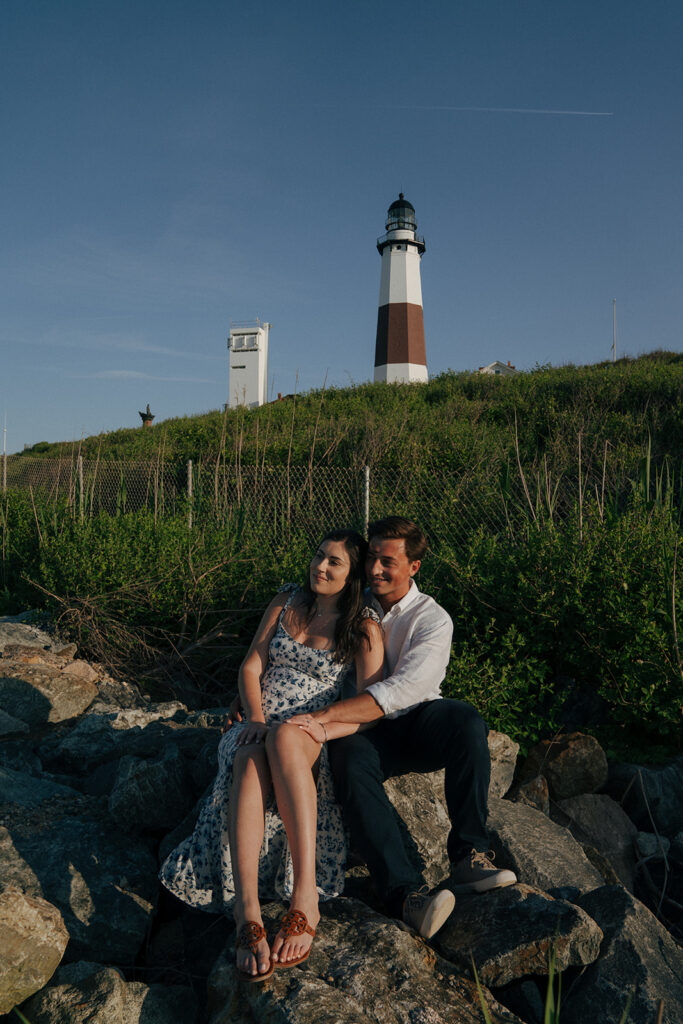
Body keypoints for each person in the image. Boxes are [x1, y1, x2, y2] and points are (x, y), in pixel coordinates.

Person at [159, 529, 384, 982]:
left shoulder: (362, 626)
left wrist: (321, 726)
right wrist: (255, 717)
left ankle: (305, 897)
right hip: (255, 724)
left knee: (283, 739)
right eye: (318, 555)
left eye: (334, 562)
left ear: (352, 573)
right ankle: (248, 912)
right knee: (248, 755)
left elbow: (372, 709)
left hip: (306, 730)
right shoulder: (285, 601)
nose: (320, 567)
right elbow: (252, 664)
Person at [288, 516, 516, 941]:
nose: (375, 569)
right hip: (358, 730)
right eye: (371, 558)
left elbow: (406, 689)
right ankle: (406, 896)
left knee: (465, 720)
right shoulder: (353, 601)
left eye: (387, 561)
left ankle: (470, 854)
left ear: (413, 566)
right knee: (349, 764)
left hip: (411, 720)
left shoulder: (433, 620)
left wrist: (323, 718)